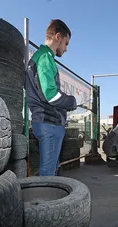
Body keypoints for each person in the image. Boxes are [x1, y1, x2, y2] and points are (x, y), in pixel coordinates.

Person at [25, 19, 77, 176]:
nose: (66, 49)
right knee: (48, 174)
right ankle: (44, 200)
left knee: (50, 171)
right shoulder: (45, 58)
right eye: (66, 43)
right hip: (49, 123)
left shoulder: (39, 57)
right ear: (58, 37)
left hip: (46, 121)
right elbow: (51, 95)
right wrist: (72, 101)